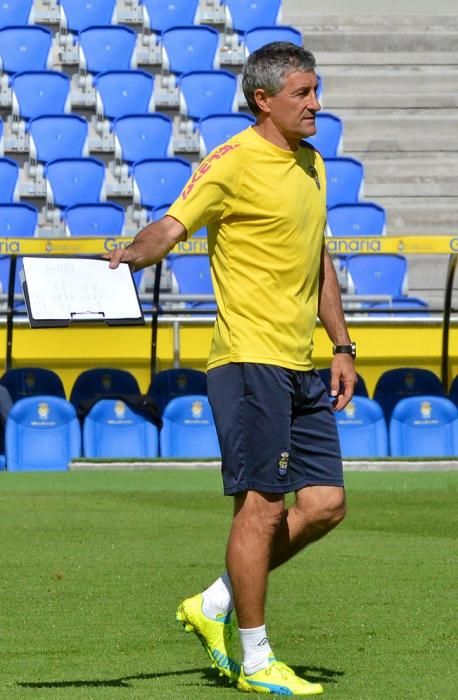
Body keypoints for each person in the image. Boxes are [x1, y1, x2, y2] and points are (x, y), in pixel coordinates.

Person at [108, 42, 356, 697]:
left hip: (305, 364)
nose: (315, 103)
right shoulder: (232, 162)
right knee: (263, 507)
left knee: (326, 505)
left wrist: (342, 345)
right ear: (263, 100)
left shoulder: (312, 164)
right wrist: (134, 254)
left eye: (316, 89)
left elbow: (319, 258)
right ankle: (255, 660)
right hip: (248, 360)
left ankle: (215, 601)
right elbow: (173, 224)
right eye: (303, 93)